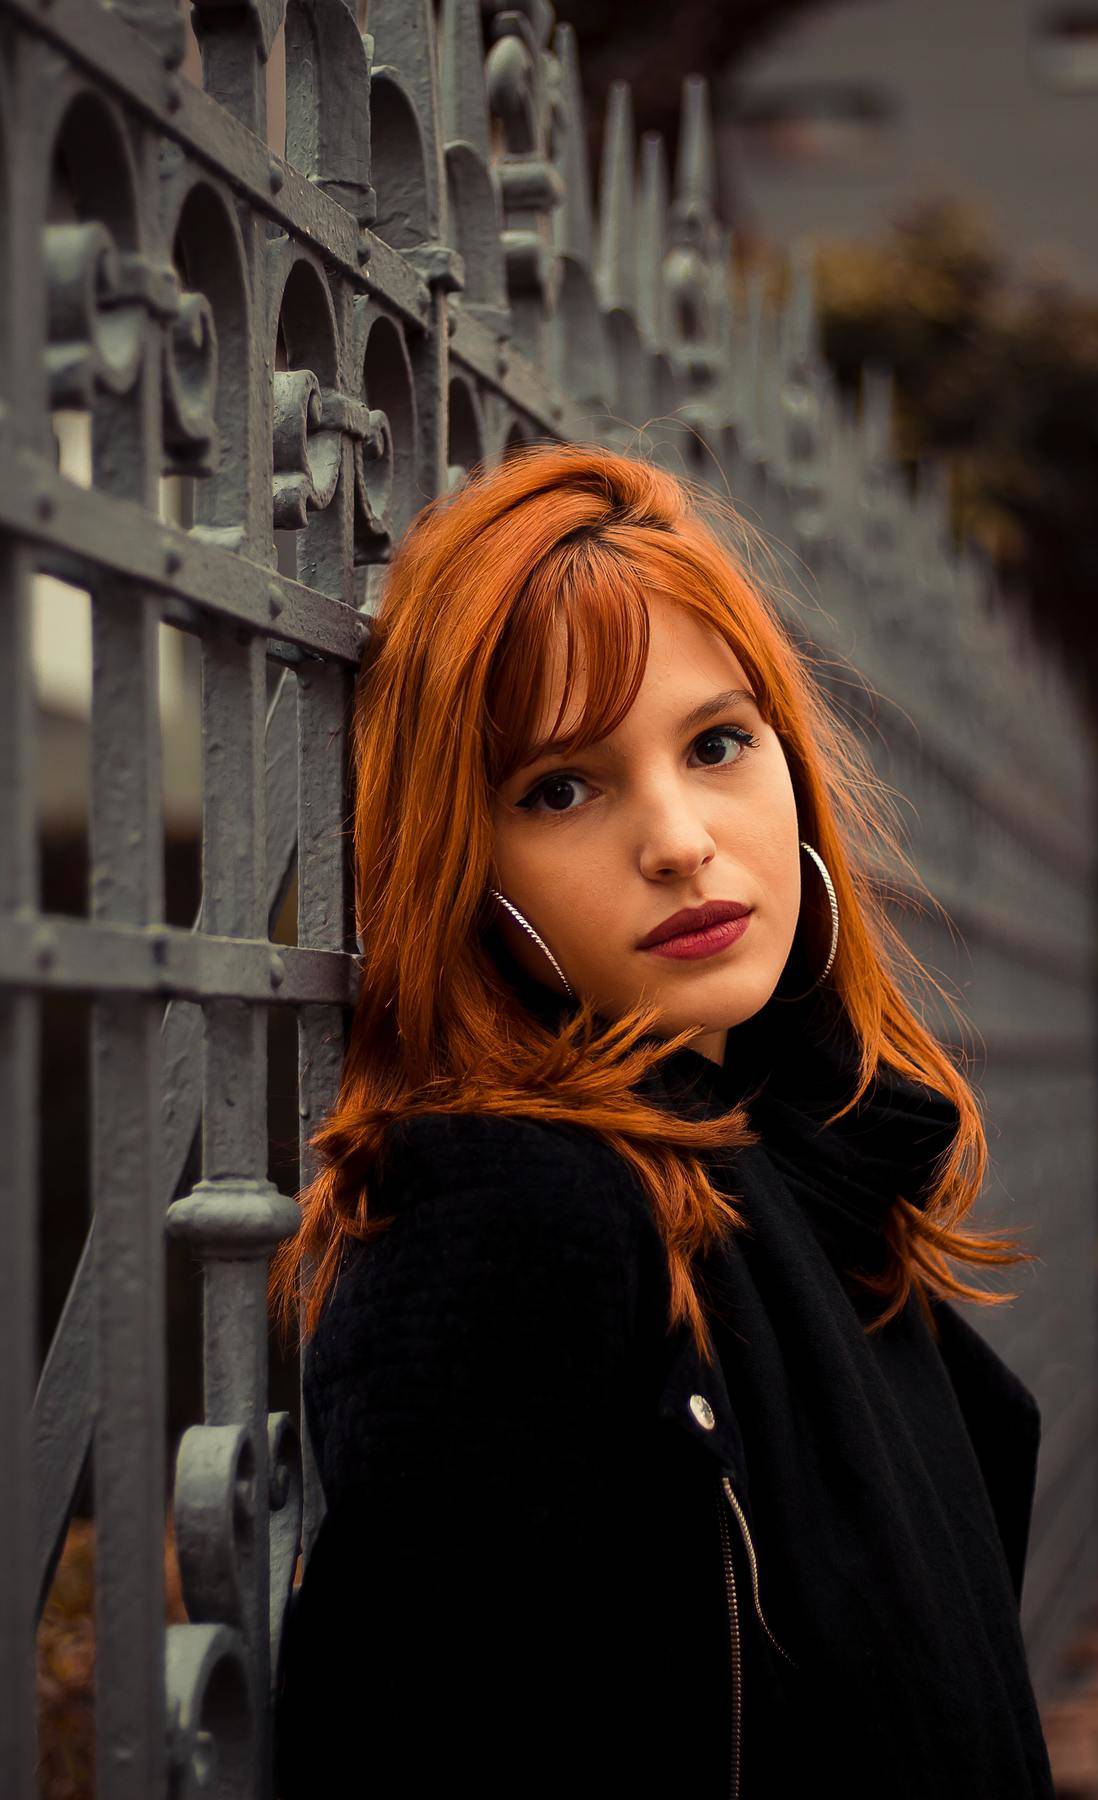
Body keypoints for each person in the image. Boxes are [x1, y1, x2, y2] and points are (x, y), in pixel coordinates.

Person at [269, 441, 1055, 1798]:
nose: (683, 838)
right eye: (560, 788)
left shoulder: (817, 1158)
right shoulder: (518, 1210)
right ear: (463, 863)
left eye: (716, 743)